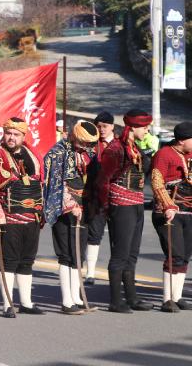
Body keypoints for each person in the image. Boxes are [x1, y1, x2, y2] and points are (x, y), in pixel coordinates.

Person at [0, 117, 45, 318]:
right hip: (8, 218)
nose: (11, 137)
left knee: (27, 260)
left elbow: (41, 182)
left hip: (31, 217)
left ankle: (26, 302)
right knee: (9, 260)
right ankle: (7, 303)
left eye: (16, 134)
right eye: (8, 133)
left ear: (23, 136)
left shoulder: (32, 154)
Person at [96, 109, 154, 313]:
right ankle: (115, 300)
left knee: (132, 254)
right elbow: (103, 180)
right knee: (120, 254)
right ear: (134, 127)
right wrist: (106, 207)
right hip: (121, 205)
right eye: (145, 127)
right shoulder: (116, 149)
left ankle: (132, 297)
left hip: (137, 203)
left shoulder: (135, 147)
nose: (147, 131)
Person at [44, 120, 99, 315]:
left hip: (84, 207)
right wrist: (70, 204)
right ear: (75, 137)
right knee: (66, 254)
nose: (87, 148)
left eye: (89, 145)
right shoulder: (58, 152)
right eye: (84, 143)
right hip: (63, 208)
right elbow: (55, 183)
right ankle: (67, 301)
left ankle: (77, 296)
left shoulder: (89, 153)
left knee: (78, 255)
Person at [150, 122, 192, 312]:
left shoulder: (189, 155)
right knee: (174, 255)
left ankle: (178, 296)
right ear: (182, 140)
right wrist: (168, 205)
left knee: (184, 256)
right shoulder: (163, 154)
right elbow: (157, 182)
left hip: (189, 211)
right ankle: (167, 299)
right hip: (168, 212)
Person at [85, 111, 116, 285]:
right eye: (99, 126)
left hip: (116, 196)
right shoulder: (91, 146)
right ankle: (90, 272)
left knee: (117, 236)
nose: (102, 130)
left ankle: (116, 271)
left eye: (105, 126)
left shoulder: (119, 145)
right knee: (94, 235)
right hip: (96, 197)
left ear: (112, 126)